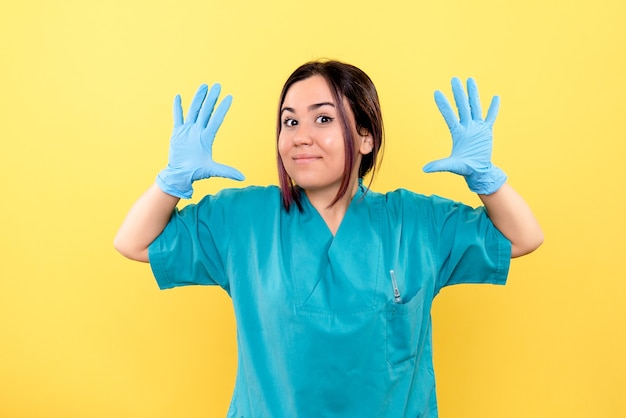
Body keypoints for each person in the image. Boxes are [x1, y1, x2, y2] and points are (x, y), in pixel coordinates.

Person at [114, 60, 543, 417]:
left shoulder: (416, 222)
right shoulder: (242, 220)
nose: (301, 136)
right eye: (289, 121)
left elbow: (524, 237)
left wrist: (486, 180)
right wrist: (171, 182)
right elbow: (133, 243)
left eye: (323, 118)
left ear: (366, 136)